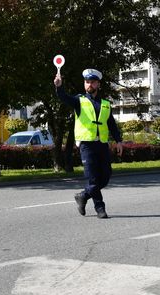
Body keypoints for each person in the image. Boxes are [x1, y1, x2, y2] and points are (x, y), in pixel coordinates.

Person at [54, 69, 123, 219]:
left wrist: (118, 141)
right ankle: (100, 208)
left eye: (92, 82)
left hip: (102, 145)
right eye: (87, 82)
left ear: (98, 84)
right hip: (86, 145)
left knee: (105, 177)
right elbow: (64, 97)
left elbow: (111, 124)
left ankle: (83, 196)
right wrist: (59, 87)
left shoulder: (105, 104)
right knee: (93, 178)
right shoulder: (79, 101)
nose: (89, 84)